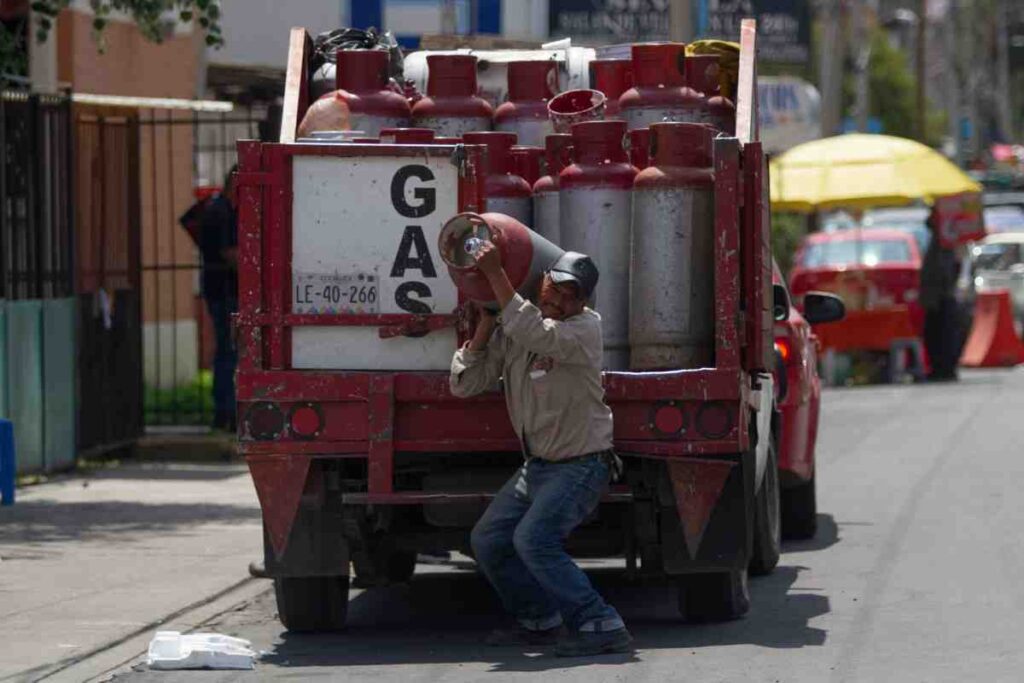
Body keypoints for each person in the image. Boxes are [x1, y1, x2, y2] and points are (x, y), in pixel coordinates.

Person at [449, 243, 632, 657]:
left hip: (581, 464)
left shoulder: (583, 329)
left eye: (572, 296)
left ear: (583, 304)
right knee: (489, 539)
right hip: (540, 467)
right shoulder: (518, 330)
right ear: (542, 280)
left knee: (534, 540)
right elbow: (465, 384)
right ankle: (538, 620)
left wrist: (495, 275)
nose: (561, 300)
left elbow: (535, 332)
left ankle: (601, 623)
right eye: (556, 287)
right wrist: (485, 325)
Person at [200, 166, 239, 430]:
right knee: (229, 351)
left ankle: (225, 411)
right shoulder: (222, 211)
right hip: (224, 291)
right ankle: (226, 411)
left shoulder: (218, 208)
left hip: (221, 289)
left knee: (228, 350)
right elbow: (229, 253)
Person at [920, 208, 961, 382]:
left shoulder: (946, 240)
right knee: (934, 334)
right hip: (935, 297)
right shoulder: (938, 240)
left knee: (943, 335)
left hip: (941, 297)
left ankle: (944, 368)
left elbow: (948, 269)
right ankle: (939, 367)